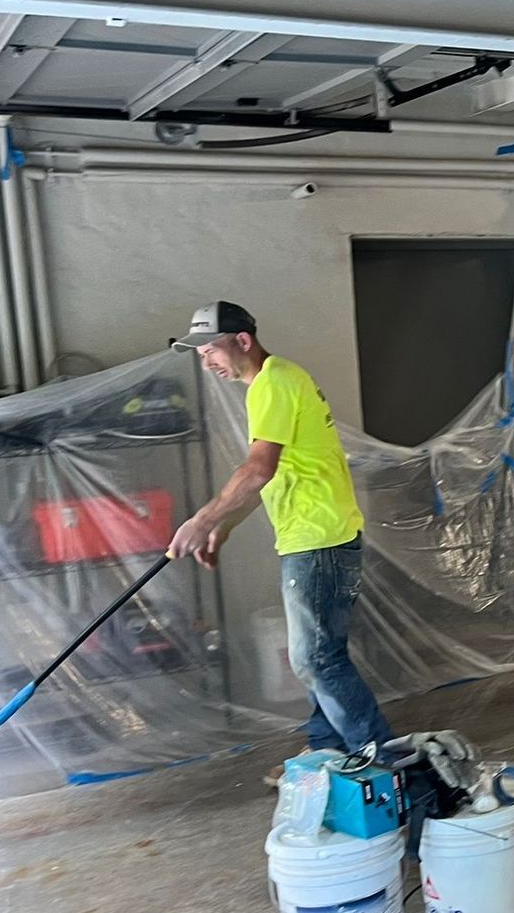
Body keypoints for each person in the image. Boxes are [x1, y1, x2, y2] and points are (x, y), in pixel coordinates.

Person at [167, 301, 394, 768]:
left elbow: (257, 468)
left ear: (242, 341)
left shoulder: (273, 383)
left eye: (211, 349)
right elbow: (274, 474)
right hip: (319, 533)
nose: (206, 361)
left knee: (315, 660)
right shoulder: (278, 378)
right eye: (200, 353)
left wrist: (204, 520)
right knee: (321, 655)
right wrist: (225, 525)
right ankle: (325, 753)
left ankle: (381, 764)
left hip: (318, 539)